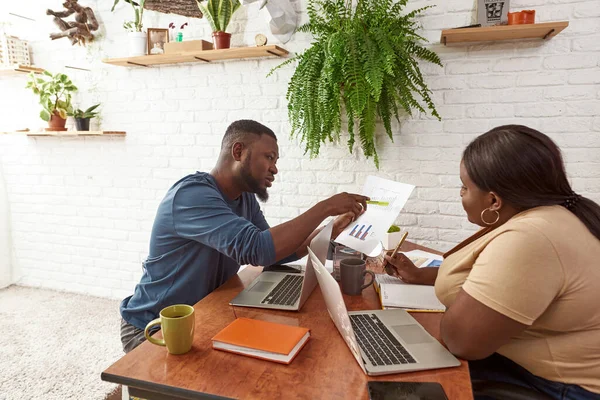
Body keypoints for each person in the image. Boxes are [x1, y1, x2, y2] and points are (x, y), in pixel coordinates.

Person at [384, 125, 600, 398]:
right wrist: (422, 276)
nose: (461, 195)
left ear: (494, 200)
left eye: (464, 187)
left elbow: (462, 341)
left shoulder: (531, 237)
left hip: (555, 386)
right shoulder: (557, 215)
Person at [120, 120, 368, 353]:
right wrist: (324, 207)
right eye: (269, 157)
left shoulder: (244, 198)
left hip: (204, 314)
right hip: (154, 326)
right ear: (238, 151)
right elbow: (258, 250)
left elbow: (274, 254)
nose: (275, 168)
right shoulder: (192, 195)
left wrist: (330, 228)